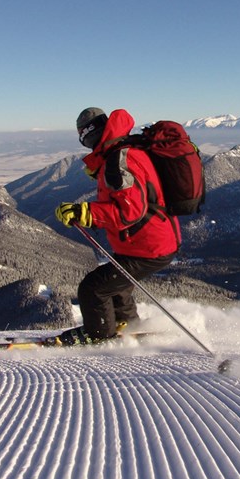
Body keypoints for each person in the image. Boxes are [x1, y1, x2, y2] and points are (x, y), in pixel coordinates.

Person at [52, 107, 180, 345]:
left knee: (93, 289)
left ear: (89, 133)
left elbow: (129, 211)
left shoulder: (119, 160)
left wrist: (84, 212)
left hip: (149, 246)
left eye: (83, 136)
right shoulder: (120, 152)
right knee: (115, 286)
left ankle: (99, 335)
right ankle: (127, 324)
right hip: (146, 242)